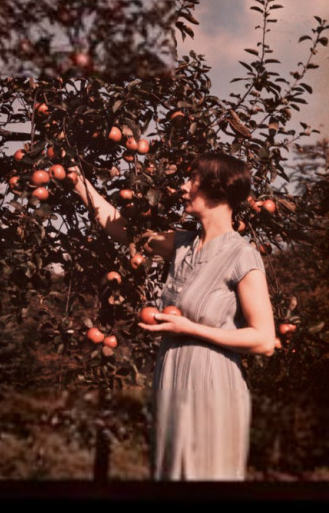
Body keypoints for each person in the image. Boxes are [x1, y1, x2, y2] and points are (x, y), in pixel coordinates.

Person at [70, 150, 276, 481]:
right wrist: (81, 185)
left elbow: (265, 340)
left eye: (191, 179)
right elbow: (123, 230)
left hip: (212, 386)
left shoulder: (243, 255)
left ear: (215, 189)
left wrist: (190, 328)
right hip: (171, 381)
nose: (182, 186)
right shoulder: (182, 245)